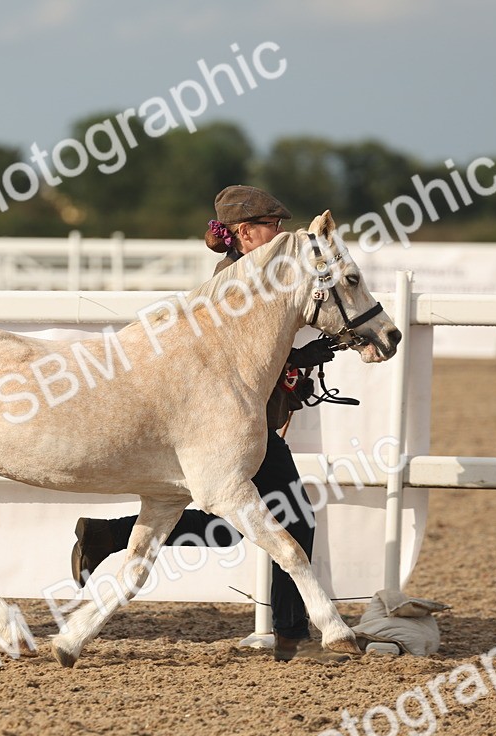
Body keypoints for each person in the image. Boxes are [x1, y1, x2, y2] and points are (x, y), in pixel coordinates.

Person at [69, 185, 348, 664]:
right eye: (271, 225)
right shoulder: (234, 282)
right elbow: (238, 358)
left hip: (241, 423)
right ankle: (293, 636)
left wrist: (299, 363)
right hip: (225, 427)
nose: (279, 232)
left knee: (242, 525)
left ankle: (107, 536)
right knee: (290, 518)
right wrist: (301, 358)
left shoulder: (263, 277)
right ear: (245, 232)